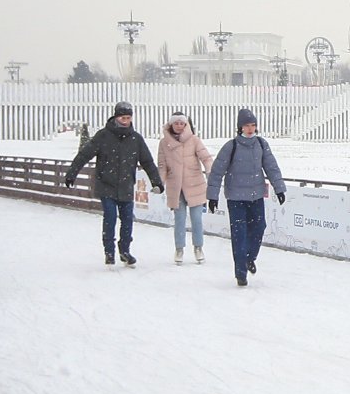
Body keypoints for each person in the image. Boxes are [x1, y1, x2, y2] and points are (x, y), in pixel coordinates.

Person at [63, 102, 162, 266]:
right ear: (116, 117)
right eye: (123, 117)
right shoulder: (103, 136)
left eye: (128, 118)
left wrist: (156, 182)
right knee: (110, 218)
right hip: (106, 185)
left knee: (127, 220)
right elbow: (84, 155)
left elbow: (147, 162)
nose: (125, 121)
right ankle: (109, 251)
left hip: (126, 186)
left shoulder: (136, 139)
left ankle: (125, 250)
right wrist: (71, 173)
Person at [207, 107, 285, 287]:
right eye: (246, 125)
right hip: (236, 198)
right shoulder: (231, 146)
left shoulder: (261, 144)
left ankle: (250, 258)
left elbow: (271, 167)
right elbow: (217, 171)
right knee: (239, 234)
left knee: (259, 227)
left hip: (256, 196)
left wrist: (279, 188)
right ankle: (240, 272)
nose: (250, 129)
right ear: (239, 127)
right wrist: (212, 195)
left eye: (253, 125)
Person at [157, 110, 214, 264]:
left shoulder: (194, 140)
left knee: (196, 219)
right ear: (171, 124)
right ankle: (179, 249)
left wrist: (210, 170)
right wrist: (159, 182)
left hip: (194, 184)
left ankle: (198, 247)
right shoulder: (164, 143)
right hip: (176, 187)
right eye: (176, 123)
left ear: (186, 124)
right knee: (179, 220)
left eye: (182, 123)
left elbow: (206, 157)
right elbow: (162, 166)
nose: (179, 126)